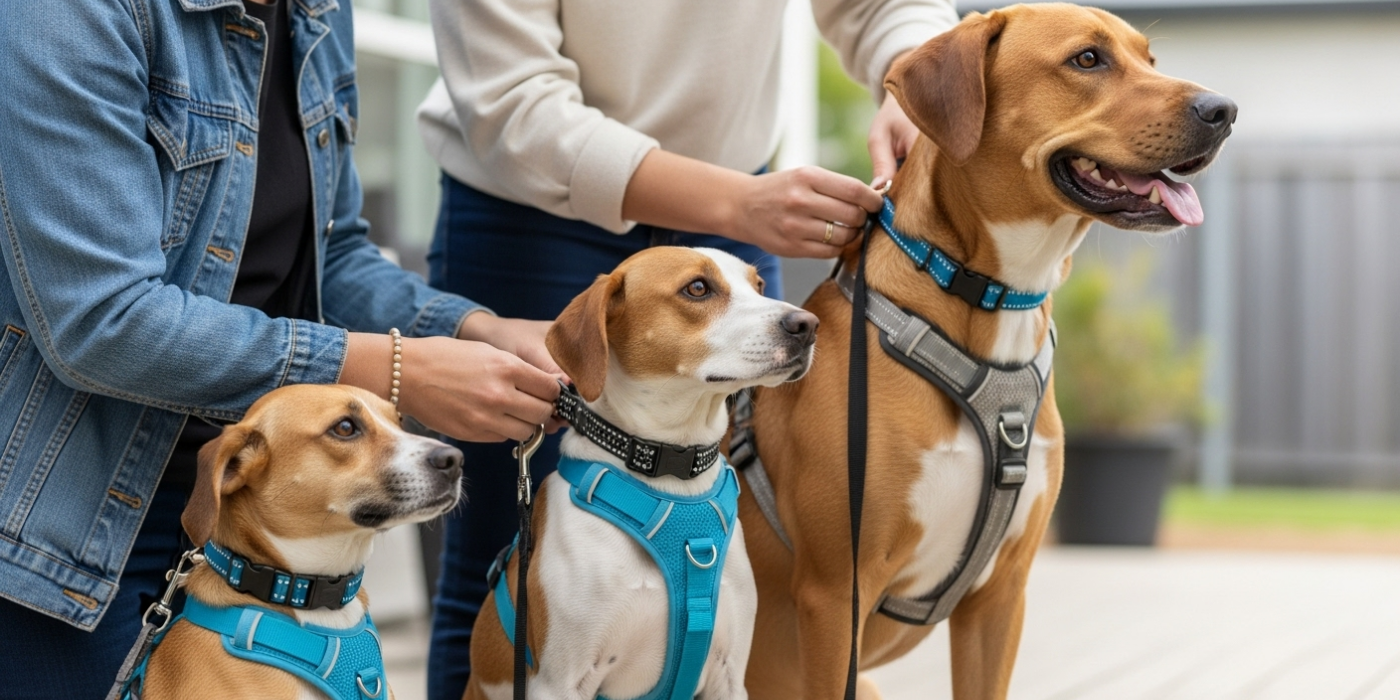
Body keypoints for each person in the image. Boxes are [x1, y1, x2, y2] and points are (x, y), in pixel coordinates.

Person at [0, 1, 563, 697]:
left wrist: (471, 329)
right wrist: (396, 370)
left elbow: (337, 251)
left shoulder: (319, 13)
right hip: (72, 519)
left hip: (271, 507)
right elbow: (101, 318)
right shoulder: (69, 15)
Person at [416, 0, 959, 695]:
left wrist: (916, 77)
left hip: (736, 195)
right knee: (502, 560)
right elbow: (511, 99)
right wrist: (735, 205)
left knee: (715, 573)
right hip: (535, 204)